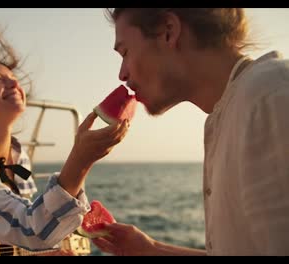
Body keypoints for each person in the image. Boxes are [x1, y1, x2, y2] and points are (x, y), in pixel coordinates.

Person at [92, 8, 289, 256]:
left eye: (125, 52)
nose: (122, 74)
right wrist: (152, 250)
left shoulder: (269, 95)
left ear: (168, 31)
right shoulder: (234, 108)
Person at [0, 24, 129, 256]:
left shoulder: (17, 157)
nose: (14, 84)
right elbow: (30, 229)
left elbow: (12, 240)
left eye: (14, 78)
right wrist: (80, 160)